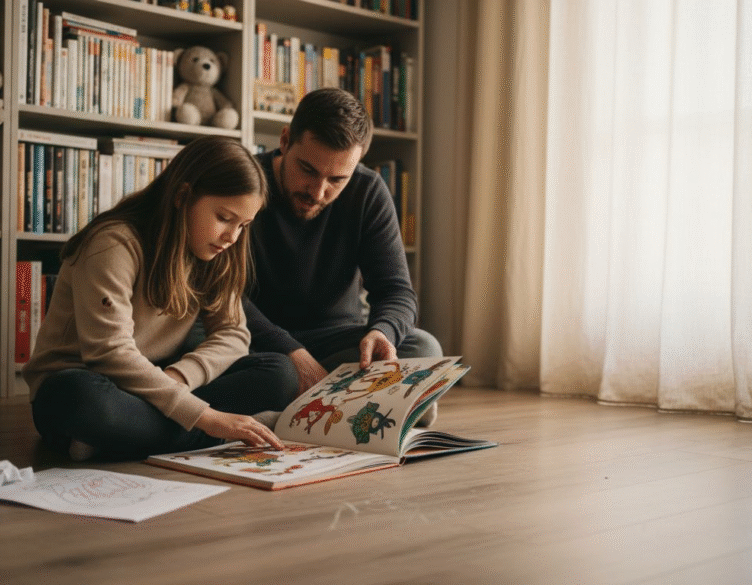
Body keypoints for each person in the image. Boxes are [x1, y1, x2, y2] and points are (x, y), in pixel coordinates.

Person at [25, 136, 296, 462]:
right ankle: (208, 435)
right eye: (224, 218)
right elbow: (109, 353)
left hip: (155, 387)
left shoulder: (218, 253)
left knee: (280, 373)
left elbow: (234, 334)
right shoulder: (113, 243)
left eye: (243, 225)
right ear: (183, 196)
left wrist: (178, 379)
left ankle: (121, 439)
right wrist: (208, 418)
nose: (232, 237)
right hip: (90, 385)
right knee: (78, 399)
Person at [244, 88, 444, 425]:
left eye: (337, 179)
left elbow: (396, 291)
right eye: (307, 169)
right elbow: (223, 296)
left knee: (423, 349)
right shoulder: (245, 182)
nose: (318, 192)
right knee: (272, 373)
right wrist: (293, 354)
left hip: (334, 341)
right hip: (255, 341)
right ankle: (375, 408)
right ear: (284, 140)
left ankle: (293, 414)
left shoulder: (368, 191)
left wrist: (383, 333)